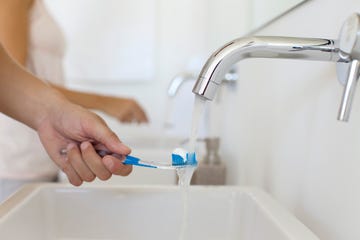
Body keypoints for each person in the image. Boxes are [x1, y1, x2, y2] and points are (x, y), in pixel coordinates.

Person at [0, 0, 147, 201]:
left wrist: (51, 115)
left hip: (41, 154)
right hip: (15, 161)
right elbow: (6, 78)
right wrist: (104, 102)